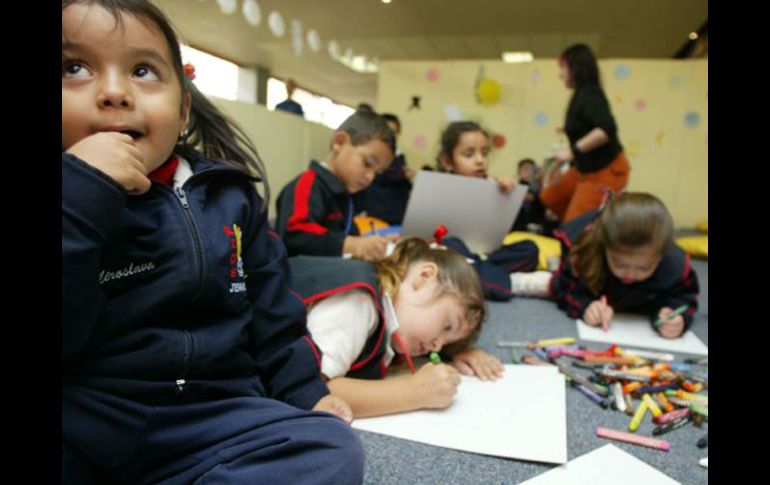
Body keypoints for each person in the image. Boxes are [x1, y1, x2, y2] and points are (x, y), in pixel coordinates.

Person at [62, 1, 362, 483]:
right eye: (74, 68)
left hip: (212, 413)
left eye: (142, 70)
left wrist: (305, 390)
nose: (114, 92)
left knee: (329, 446)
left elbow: (272, 312)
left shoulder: (228, 195)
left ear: (182, 108)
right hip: (88, 417)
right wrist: (79, 195)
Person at [289, 238, 502, 418]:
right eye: (447, 326)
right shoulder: (357, 303)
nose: (437, 346)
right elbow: (310, 392)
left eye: (448, 343)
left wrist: (457, 352)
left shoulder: (395, 309)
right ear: (424, 277)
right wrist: (413, 392)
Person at [518, 193, 699, 339]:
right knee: (550, 282)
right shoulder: (585, 251)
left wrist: (676, 316)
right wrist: (585, 306)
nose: (630, 273)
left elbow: (685, 297)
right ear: (605, 248)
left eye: (643, 268)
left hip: (643, 302)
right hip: (594, 286)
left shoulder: (675, 264)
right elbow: (564, 287)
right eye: (619, 263)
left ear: (661, 256)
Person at [435, 121, 541, 300]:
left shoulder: (494, 186)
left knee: (530, 249)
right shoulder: (437, 188)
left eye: (484, 153)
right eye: (469, 154)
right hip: (450, 254)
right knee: (451, 245)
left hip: (484, 255)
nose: (480, 160)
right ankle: (504, 282)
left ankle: (477, 276)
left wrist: (508, 197)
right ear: (448, 161)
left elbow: (513, 229)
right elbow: (433, 234)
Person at [276, 111, 398, 261]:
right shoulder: (308, 183)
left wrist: (376, 244)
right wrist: (353, 244)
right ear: (339, 142)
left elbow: (346, 236)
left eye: (377, 172)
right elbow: (294, 233)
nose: (370, 176)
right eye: (367, 163)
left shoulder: (344, 193)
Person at [540, 43, 631, 223]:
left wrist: (572, 152)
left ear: (575, 68)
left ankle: (579, 230)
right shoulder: (581, 95)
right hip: (584, 170)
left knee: (574, 226)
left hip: (605, 171)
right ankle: (580, 227)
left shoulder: (590, 94)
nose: (560, 74)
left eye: (562, 68)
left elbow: (605, 130)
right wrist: (560, 163)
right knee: (549, 197)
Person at [354, 113, 414, 225]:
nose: (390, 136)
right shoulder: (367, 153)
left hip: (398, 214)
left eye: (394, 132)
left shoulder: (399, 157)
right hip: (376, 213)